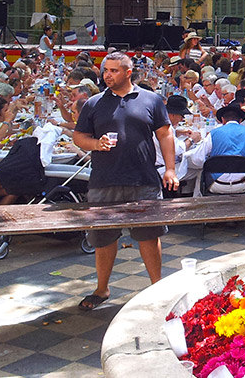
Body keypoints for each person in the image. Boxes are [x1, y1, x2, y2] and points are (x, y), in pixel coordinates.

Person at [72, 52, 178, 311]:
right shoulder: (94, 103)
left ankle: (157, 286)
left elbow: (165, 134)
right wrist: (95, 144)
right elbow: (78, 137)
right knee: (103, 239)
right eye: (105, 70)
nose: (107, 75)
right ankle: (102, 288)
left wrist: (171, 169)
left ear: (128, 72)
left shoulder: (151, 100)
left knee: (149, 236)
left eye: (114, 70)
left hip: (143, 178)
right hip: (104, 180)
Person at [184, 103, 245, 193]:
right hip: (243, 184)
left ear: (223, 120)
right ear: (240, 120)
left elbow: (197, 159)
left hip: (216, 184)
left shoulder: (213, 134)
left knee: (201, 172)